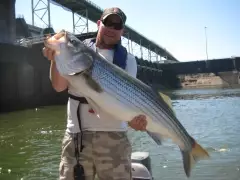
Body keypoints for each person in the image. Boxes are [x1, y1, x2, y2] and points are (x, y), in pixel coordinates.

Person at [43, 7, 147, 180]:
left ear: (122, 31)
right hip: (76, 136)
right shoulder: (77, 51)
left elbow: (127, 102)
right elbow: (58, 86)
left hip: (114, 138)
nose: (112, 29)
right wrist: (55, 59)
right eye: (108, 23)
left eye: (117, 25)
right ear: (99, 24)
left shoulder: (128, 60)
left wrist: (135, 122)